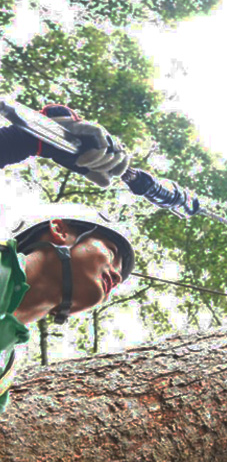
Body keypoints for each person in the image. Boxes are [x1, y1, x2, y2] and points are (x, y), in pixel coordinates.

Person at [0, 105, 135, 411]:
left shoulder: (5, 372)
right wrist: (24, 140)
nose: (116, 275)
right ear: (59, 230)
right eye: (111, 254)